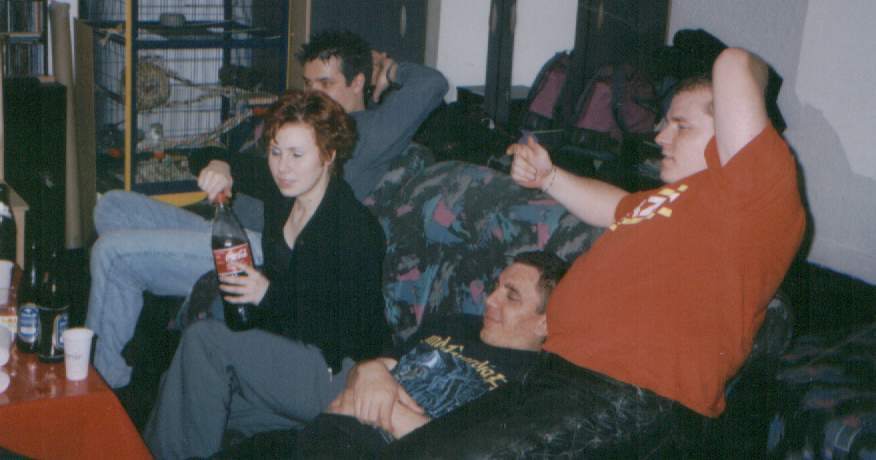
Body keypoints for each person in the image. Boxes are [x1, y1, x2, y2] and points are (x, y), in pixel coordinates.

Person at [382, 47, 807, 458]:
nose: (660, 136)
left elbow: (734, 62)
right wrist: (549, 177)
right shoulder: (672, 203)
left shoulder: (756, 194)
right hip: (557, 377)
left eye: (682, 125)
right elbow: (614, 207)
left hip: (630, 392)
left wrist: (755, 98)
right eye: (665, 123)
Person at [86, 30, 448, 389]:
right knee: (112, 206)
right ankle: (132, 310)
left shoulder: (372, 131)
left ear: (358, 83)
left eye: (325, 84)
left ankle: (103, 383)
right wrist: (220, 165)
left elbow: (433, 84)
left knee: (113, 254)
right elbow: (227, 160)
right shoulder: (296, 127)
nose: (313, 94)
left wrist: (388, 68)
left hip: (261, 247)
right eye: (308, 83)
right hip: (223, 221)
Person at [141, 89, 388, 460]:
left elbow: (347, 333)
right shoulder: (284, 194)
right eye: (275, 152)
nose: (282, 167)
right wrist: (220, 168)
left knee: (205, 341)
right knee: (183, 387)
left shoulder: (353, 229)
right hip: (290, 348)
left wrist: (269, 295)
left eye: (297, 155)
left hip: (336, 371)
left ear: (328, 155)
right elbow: (205, 155)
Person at [212, 251, 568, 459]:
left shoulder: (531, 383)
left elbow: (459, 451)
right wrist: (370, 373)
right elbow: (373, 367)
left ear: (545, 322)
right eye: (496, 287)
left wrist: (386, 407)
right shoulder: (457, 323)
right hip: (320, 433)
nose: (490, 300)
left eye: (511, 296)